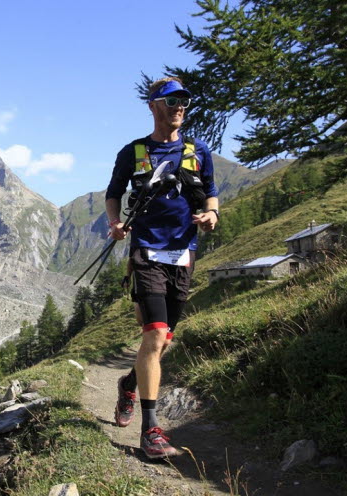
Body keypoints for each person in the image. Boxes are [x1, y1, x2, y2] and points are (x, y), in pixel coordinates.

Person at [105, 77, 219, 459]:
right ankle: (150, 431)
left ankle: (128, 384)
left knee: (164, 341)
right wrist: (115, 223)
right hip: (147, 251)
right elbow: (113, 192)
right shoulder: (134, 151)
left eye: (183, 100)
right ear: (153, 105)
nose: (179, 106)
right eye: (171, 100)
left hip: (183, 252)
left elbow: (211, 191)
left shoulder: (198, 150)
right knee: (154, 335)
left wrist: (211, 214)